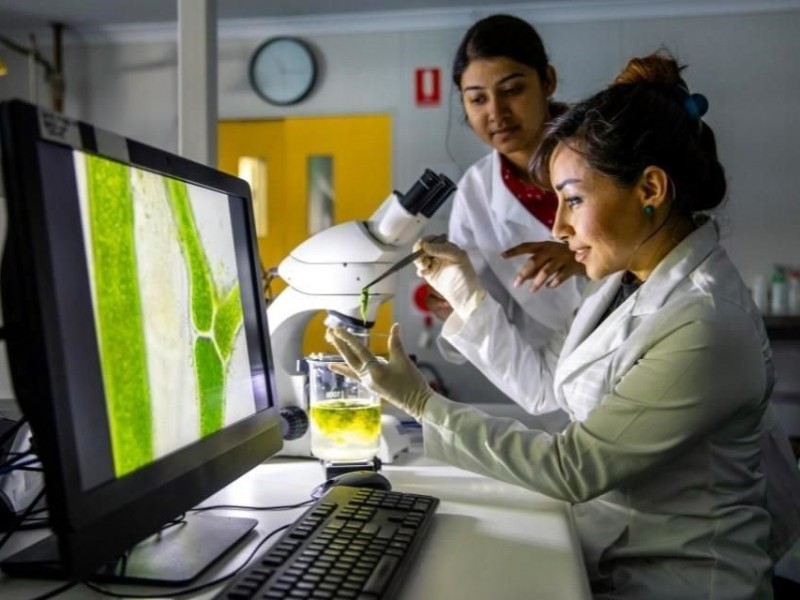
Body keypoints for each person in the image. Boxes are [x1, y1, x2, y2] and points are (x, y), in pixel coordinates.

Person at [327, 51, 800, 598]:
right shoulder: (620, 285)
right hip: (611, 553)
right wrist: (467, 294)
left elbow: (573, 466)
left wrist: (423, 404)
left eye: (573, 199)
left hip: (680, 581)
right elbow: (549, 385)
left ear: (650, 189)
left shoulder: (706, 321)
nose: (557, 225)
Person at [429, 14, 583, 367]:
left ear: (547, 81)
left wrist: (580, 261)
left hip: (643, 344)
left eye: (512, 90)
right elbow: (494, 306)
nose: (496, 112)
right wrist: (457, 304)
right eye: (477, 99)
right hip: (556, 369)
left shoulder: (607, 153)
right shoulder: (476, 192)